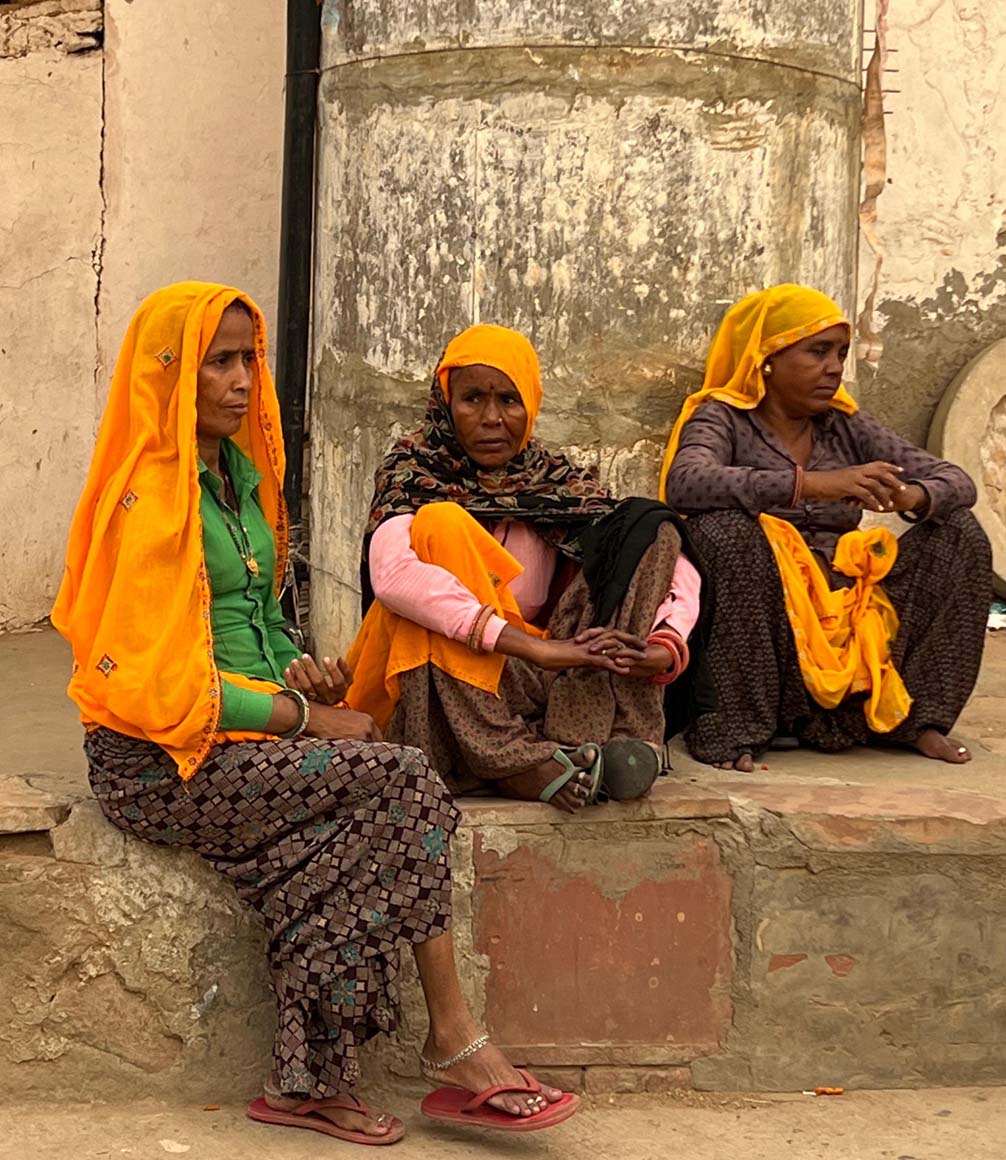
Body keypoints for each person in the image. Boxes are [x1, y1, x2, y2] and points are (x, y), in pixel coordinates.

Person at [52, 282, 579, 1143]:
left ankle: (308, 1084)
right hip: (158, 759)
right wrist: (304, 722)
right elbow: (158, 687)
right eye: (217, 361)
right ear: (169, 371)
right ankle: (456, 1042)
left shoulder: (237, 474)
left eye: (247, 359)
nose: (239, 380)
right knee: (401, 781)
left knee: (336, 854)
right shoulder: (149, 501)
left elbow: (252, 621)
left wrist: (304, 681)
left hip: (238, 735)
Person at [345, 323, 702, 813]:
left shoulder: (555, 479)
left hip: (535, 673)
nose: (492, 418)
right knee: (439, 534)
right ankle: (515, 763)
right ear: (446, 403)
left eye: (509, 401)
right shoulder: (413, 473)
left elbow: (668, 560)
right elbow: (395, 579)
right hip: (438, 675)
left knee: (646, 524)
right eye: (472, 400)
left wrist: (665, 644)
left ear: (530, 405)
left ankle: (607, 736)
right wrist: (536, 647)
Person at [660, 283, 990, 772]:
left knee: (958, 532)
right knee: (723, 531)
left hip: (848, 600)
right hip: (765, 615)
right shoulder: (722, 417)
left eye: (840, 353)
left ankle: (918, 719)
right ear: (768, 358)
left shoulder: (845, 425)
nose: (834, 368)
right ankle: (736, 727)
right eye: (817, 352)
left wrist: (912, 496)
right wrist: (812, 485)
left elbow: (956, 480)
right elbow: (685, 483)